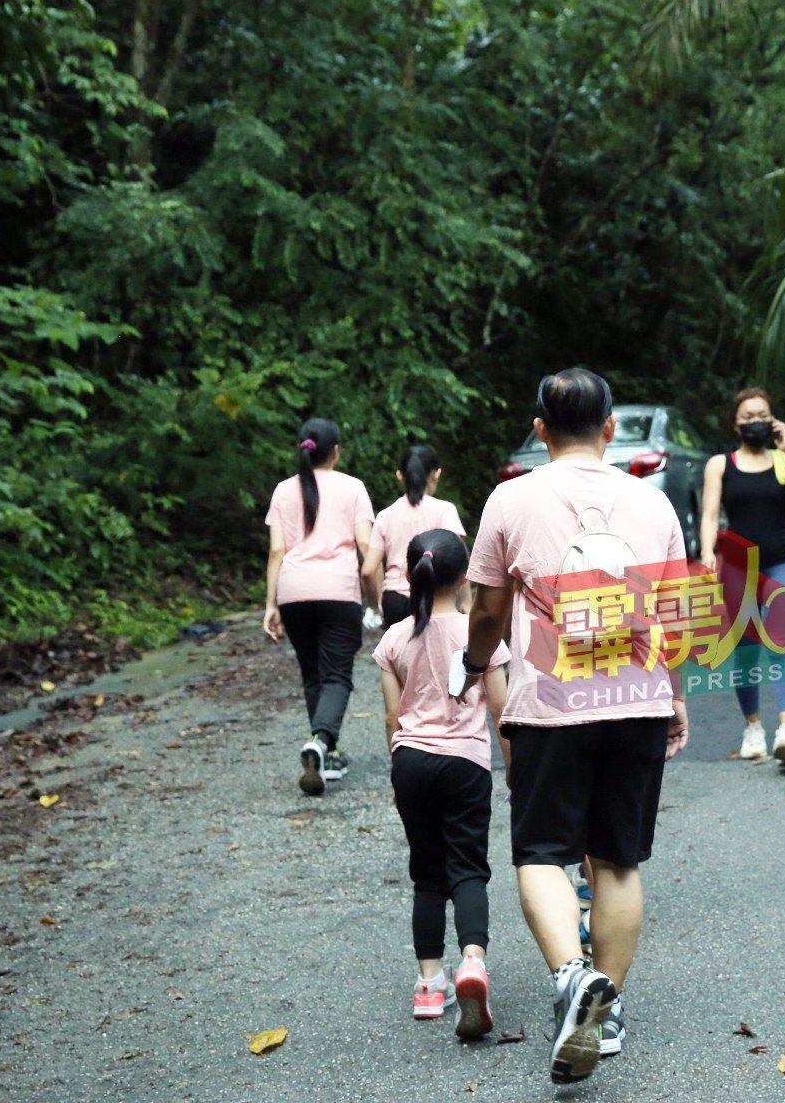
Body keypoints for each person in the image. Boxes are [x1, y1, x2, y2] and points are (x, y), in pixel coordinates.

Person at [463, 368, 689, 1083]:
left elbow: (489, 612)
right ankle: (608, 1008)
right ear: (611, 426)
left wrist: (475, 663)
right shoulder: (652, 502)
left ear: (540, 430)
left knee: (541, 852)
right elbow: (675, 616)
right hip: (638, 701)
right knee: (617, 859)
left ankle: (570, 978)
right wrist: (673, 698)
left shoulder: (511, 498)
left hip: (550, 705)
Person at [374, 529, 510, 1036]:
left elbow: (393, 718)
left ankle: (429, 984)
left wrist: (398, 770)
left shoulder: (394, 638)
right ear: (466, 578)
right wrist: (515, 768)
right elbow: (501, 711)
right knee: (468, 867)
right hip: (465, 764)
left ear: (413, 576)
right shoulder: (481, 638)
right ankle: (472, 961)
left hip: (411, 761)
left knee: (427, 872)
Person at [700, 387, 785, 769]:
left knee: (782, 644)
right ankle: (753, 728)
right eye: (748, 417)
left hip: (781, 562)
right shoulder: (721, 464)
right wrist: (707, 555)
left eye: (763, 416)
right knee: (747, 649)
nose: (756, 422)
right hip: (738, 567)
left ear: (773, 421)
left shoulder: (782, 461)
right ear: (735, 424)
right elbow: (709, 514)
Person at [263, 417, 375, 796]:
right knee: (337, 676)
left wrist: (271, 604)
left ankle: (327, 752)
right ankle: (322, 741)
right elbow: (365, 547)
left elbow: (277, 550)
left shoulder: (282, 491)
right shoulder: (353, 488)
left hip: (293, 591)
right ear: (336, 452)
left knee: (313, 675)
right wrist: (377, 590)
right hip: (338, 592)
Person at [364, 444, 468, 628]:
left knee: (398, 654)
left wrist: (376, 606)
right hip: (436, 600)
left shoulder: (385, 515)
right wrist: (466, 603)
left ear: (399, 475)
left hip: (394, 602)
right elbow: (458, 560)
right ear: (436, 474)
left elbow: (368, 571)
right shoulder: (444, 510)